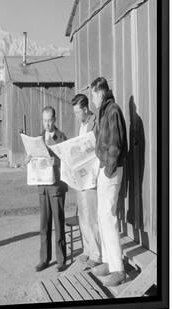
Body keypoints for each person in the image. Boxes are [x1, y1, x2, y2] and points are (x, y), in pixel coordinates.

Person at [90, 77, 127, 287]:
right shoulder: (105, 111)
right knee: (102, 217)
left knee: (109, 217)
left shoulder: (112, 110)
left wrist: (108, 169)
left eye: (94, 95)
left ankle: (118, 269)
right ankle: (107, 260)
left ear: (100, 93)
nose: (93, 99)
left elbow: (115, 144)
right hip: (105, 169)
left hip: (110, 170)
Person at [26, 106, 68, 272]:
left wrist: (55, 162)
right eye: (44, 120)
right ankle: (44, 259)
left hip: (56, 187)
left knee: (58, 223)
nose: (47, 124)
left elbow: (68, 160)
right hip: (42, 186)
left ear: (55, 119)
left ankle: (61, 260)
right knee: (44, 225)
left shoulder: (62, 137)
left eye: (50, 120)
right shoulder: (38, 138)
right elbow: (32, 159)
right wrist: (28, 158)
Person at [72, 93, 101, 268]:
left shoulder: (94, 123)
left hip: (91, 176)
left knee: (92, 217)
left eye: (77, 112)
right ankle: (87, 250)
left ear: (85, 109)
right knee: (82, 214)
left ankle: (96, 254)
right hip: (80, 176)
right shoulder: (82, 125)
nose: (76, 116)